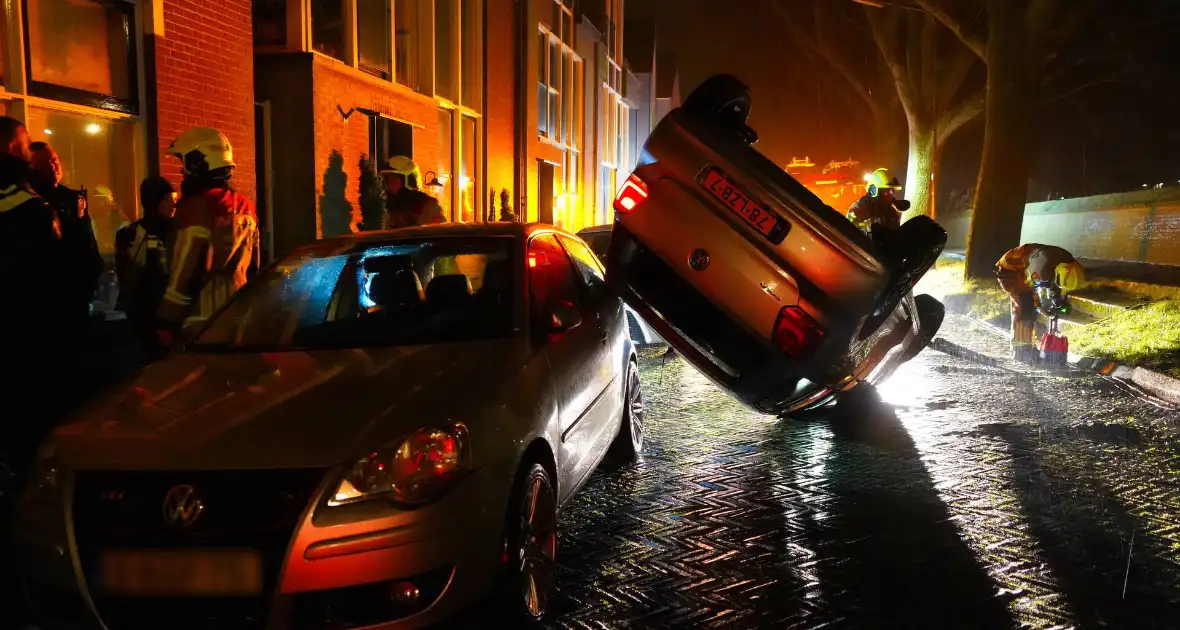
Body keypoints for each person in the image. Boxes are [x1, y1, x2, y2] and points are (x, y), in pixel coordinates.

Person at [156, 127, 260, 346]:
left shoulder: (197, 207)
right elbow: (255, 266)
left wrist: (166, 320)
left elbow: (187, 269)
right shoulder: (245, 206)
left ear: (198, 162)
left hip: (199, 323)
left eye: (183, 162)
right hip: (236, 315)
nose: (182, 172)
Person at [29, 141, 103, 343]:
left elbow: (86, 240)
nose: (53, 167)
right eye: (45, 163)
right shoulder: (32, 203)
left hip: (78, 292)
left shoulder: (72, 198)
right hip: (49, 298)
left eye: (54, 160)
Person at [116, 177, 177, 360]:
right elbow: (135, 281)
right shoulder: (134, 234)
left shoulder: (179, 231)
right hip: (148, 317)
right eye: (168, 199)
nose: (175, 203)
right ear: (154, 202)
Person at [995, 243, 1085, 363]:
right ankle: (1021, 350)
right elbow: (1034, 290)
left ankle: (1026, 345)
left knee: (1031, 307)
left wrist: (1058, 301)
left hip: (1025, 269)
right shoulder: (1043, 267)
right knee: (1025, 305)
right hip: (1009, 271)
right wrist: (1040, 306)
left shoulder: (1064, 263)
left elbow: (1054, 285)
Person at [381, 156, 445, 228]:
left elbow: (438, 235)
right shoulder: (389, 207)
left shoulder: (428, 207)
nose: (390, 186)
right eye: (388, 181)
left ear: (410, 181)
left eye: (394, 180)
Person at [846, 168, 908, 233]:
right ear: (874, 190)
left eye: (892, 190)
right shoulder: (861, 207)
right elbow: (848, 230)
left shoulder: (891, 211)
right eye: (886, 190)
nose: (891, 193)